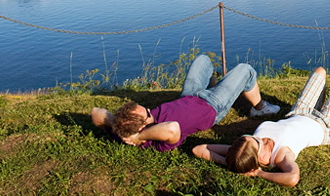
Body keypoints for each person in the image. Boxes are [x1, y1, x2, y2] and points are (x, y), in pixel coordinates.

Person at [192, 67, 330, 187]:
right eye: (257, 141)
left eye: (251, 136)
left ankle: (324, 101)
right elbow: (292, 178)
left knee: (320, 71)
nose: (258, 137)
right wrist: (259, 173)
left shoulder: (243, 151)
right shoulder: (281, 156)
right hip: (325, 125)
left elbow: (199, 149)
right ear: (259, 157)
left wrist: (232, 163)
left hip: (299, 112)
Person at [91, 54, 280, 152]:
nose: (151, 110)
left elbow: (95, 112)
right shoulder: (155, 140)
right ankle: (260, 108)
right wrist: (139, 139)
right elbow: (172, 128)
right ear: (142, 128)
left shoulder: (125, 129)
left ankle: (217, 86)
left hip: (190, 95)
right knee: (245, 70)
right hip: (212, 106)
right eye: (147, 113)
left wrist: (114, 125)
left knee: (203, 60)